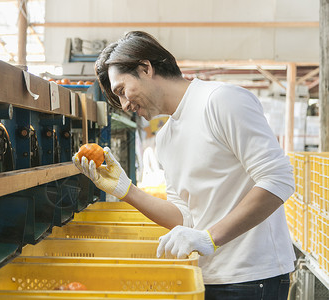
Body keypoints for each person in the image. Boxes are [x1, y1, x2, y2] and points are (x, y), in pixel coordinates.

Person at [73, 31, 295, 300]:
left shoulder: (220, 101)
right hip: (206, 275)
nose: (125, 104)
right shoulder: (166, 138)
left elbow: (277, 179)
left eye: (122, 90)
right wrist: (126, 190)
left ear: (145, 68)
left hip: (252, 277)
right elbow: (184, 217)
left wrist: (210, 238)